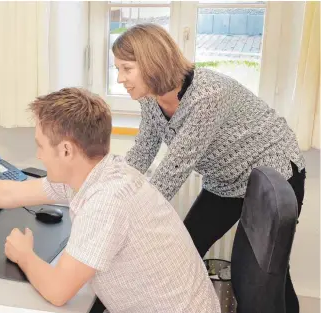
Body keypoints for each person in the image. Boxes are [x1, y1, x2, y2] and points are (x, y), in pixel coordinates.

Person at [0, 88, 220, 313]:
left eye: (40, 145)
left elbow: (58, 291)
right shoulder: (97, 172)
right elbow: (9, 191)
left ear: (66, 150)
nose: (37, 155)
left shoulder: (106, 200)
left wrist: (24, 255)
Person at [113, 23, 306, 313]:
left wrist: (124, 218)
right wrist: (111, 192)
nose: (120, 79)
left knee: (263, 276)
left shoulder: (208, 95)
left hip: (274, 176)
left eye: (126, 69)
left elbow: (174, 169)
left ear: (153, 63)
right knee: (186, 250)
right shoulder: (150, 99)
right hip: (225, 184)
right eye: (117, 69)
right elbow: (142, 153)